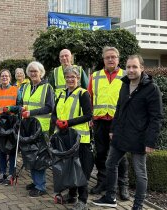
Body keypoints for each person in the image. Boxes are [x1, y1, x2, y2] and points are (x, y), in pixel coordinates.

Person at [93, 55, 163, 210]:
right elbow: (119, 109)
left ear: (142, 68)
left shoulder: (152, 88)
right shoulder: (124, 85)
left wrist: (150, 141)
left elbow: (156, 117)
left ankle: (137, 206)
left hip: (139, 138)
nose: (131, 70)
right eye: (129, 67)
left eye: (134, 67)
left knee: (140, 173)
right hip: (121, 135)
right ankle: (110, 197)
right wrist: (113, 129)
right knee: (110, 163)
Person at [87, 46, 129, 199]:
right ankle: (102, 182)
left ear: (118, 59)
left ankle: (122, 186)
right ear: (103, 59)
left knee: (120, 156)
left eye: (113, 57)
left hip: (119, 123)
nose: (110, 59)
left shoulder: (126, 75)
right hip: (99, 122)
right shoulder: (95, 75)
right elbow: (89, 98)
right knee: (101, 154)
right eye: (107, 57)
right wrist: (90, 117)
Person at [51, 66, 93, 210]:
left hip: (79, 139)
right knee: (70, 168)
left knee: (81, 169)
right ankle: (72, 194)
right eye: (67, 77)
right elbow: (54, 113)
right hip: (65, 138)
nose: (70, 79)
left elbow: (89, 115)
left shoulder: (83, 93)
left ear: (78, 79)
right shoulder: (62, 94)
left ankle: (82, 200)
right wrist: (56, 121)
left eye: (73, 77)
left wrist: (68, 123)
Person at [20, 61, 54, 197]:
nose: (33, 73)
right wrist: (24, 109)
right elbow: (27, 104)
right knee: (31, 155)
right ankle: (35, 182)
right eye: (31, 71)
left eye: (36, 71)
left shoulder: (47, 88)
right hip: (29, 126)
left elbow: (49, 107)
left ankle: (41, 186)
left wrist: (31, 113)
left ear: (41, 72)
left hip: (41, 127)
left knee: (39, 157)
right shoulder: (27, 87)